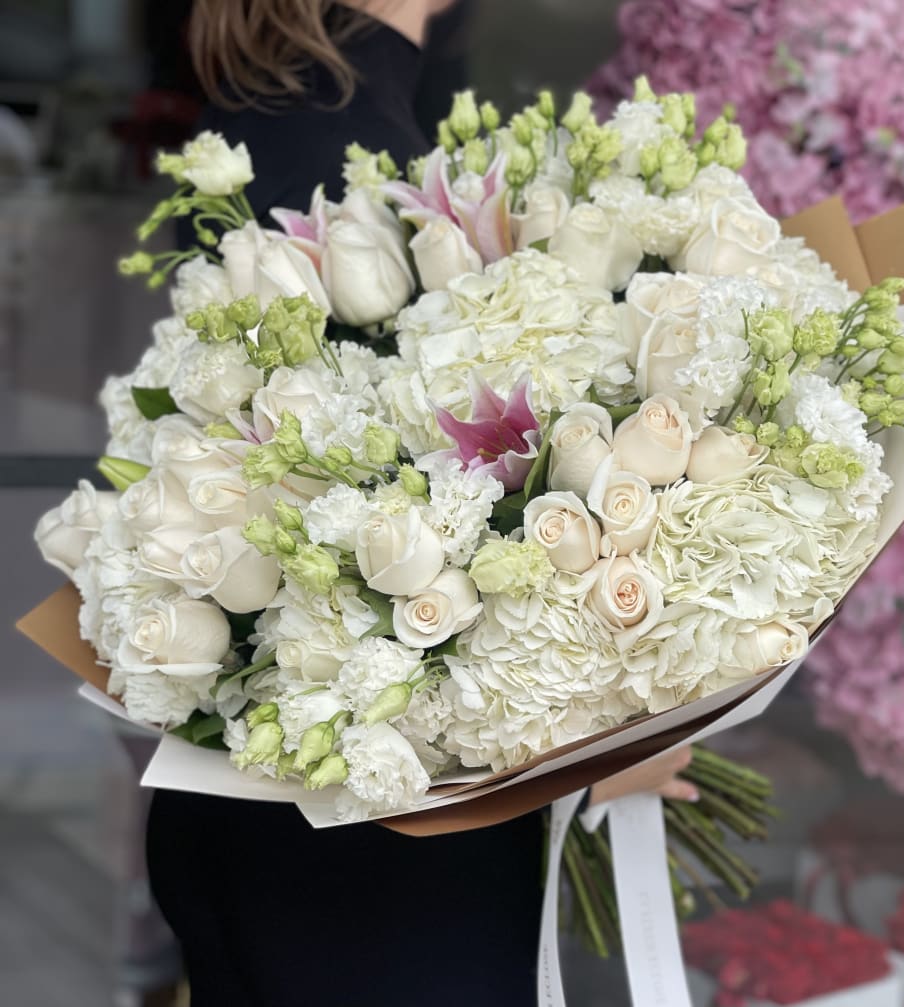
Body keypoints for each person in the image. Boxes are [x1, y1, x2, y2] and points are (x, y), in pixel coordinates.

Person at [146, 4, 697, 1003]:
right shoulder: (332, 137)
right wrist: (572, 751)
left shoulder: (306, 104)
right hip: (364, 842)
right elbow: (362, 524)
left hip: (308, 807)